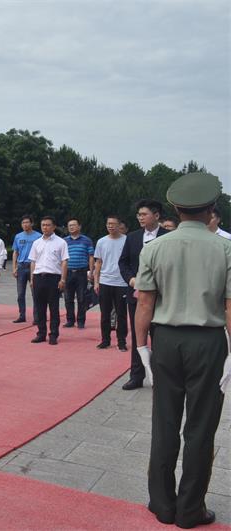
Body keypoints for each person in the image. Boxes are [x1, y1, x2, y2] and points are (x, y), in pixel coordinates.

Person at [134, 172, 230, 528]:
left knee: (164, 423)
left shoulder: (155, 247)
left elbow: (145, 304)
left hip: (166, 340)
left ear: (175, 208)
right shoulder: (226, 248)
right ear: (211, 210)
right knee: (201, 428)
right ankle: (191, 509)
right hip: (208, 342)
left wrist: (142, 348)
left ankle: (161, 503)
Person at [118, 199, 169, 390]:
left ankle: (160, 376)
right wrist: (131, 279)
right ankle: (136, 375)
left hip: (161, 296)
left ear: (156, 215)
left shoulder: (168, 237)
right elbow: (123, 263)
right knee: (138, 334)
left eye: (144, 214)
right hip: (136, 295)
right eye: (139, 214)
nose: (140, 217)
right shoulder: (131, 237)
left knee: (160, 337)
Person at [29, 216, 69, 345]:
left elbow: (64, 262)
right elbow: (33, 261)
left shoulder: (61, 242)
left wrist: (63, 279)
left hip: (53, 278)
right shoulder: (36, 242)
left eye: (48, 225)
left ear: (54, 226)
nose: (45, 227)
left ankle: (53, 334)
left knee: (53, 308)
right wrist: (32, 278)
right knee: (40, 308)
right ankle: (41, 333)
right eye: (43, 225)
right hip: (38, 277)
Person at [93, 215, 128, 351]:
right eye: (108, 224)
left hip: (122, 282)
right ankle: (105, 340)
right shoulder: (101, 241)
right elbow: (98, 262)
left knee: (121, 314)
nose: (110, 226)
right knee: (105, 313)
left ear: (120, 225)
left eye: (113, 224)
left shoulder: (127, 240)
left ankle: (121, 341)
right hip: (105, 281)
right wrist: (96, 282)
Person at [63, 217, 95, 329]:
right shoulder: (64, 241)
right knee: (68, 298)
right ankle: (70, 320)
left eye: (73, 225)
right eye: (69, 225)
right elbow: (61, 259)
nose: (71, 227)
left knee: (82, 298)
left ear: (79, 226)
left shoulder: (86, 240)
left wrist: (91, 272)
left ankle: (81, 321)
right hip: (68, 272)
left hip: (81, 272)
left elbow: (91, 257)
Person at [11, 215, 42, 324]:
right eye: (23, 223)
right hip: (21, 266)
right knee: (20, 294)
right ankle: (22, 315)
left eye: (27, 222)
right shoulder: (18, 236)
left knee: (35, 293)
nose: (25, 225)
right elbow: (15, 252)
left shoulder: (38, 236)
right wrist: (14, 267)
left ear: (32, 223)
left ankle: (37, 317)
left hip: (34, 267)